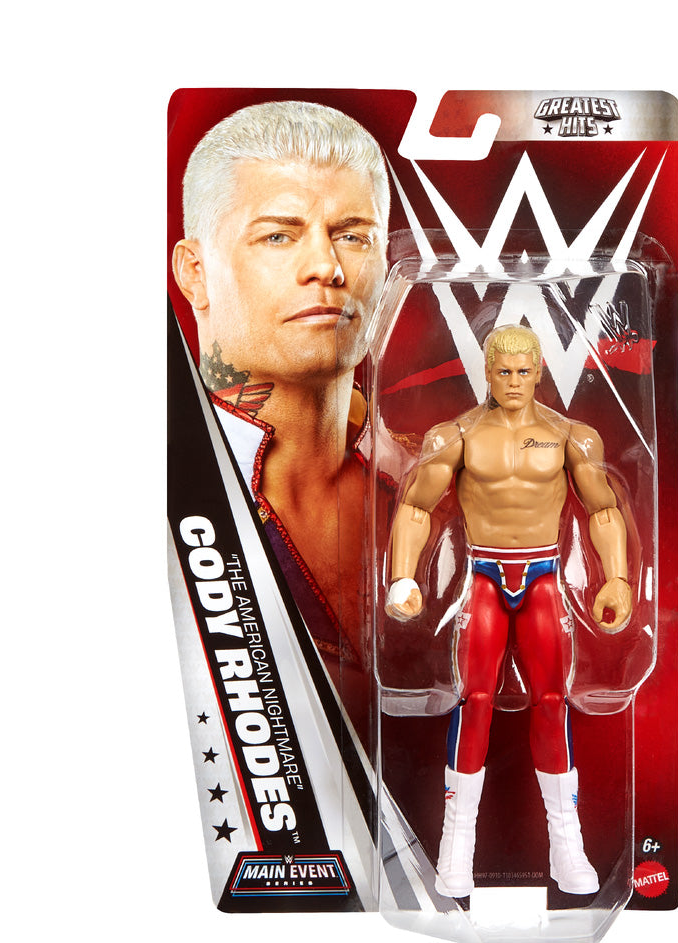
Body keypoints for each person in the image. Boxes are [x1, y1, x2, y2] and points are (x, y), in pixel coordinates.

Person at [385, 324, 632, 897]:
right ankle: (455, 848)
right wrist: (403, 576)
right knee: (473, 700)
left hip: (544, 577)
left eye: (524, 371)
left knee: (552, 700)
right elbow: (416, 507)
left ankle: (567, 845)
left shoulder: (572, 437)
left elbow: (603, 510)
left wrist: (617, 578)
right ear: (488, 374)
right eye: (504, 372)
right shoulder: (456, 436)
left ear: (540, 371)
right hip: (484, 578)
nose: (515, 382)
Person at [172, 101, 389, 675]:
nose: (325, 267)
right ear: (195, 272)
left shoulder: (441, 482)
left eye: (353, 236)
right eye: (278, 236)